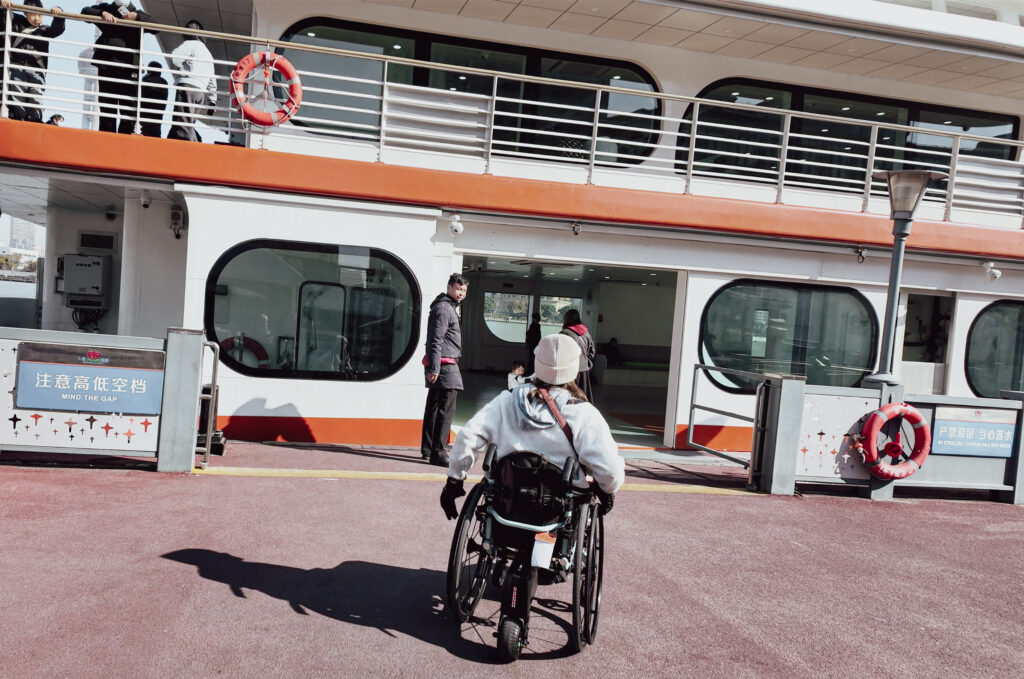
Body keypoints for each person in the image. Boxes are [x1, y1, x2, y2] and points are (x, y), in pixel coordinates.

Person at [441, 334, 623, 521]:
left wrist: (455, 479)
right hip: (558, 514)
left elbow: (467, 435)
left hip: (506, 504)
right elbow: (609, 470)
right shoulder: (584, 414)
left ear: (537, 363)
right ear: (574, 370)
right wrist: (608, 490)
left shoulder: (505, 402)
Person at [81, 1, 154, 134]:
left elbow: (156, 27)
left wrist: (136, 18)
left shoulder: (137, 12)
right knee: (107, 107)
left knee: (129, 109)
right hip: (107, 65)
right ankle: (106, 140)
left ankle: (124, 140)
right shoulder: (106, 8)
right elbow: (85, 11)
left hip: (129, 67)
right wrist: (102, 14)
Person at [420, 273, 468, 466]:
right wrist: (435, 367)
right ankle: (438, 452)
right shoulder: (444, 309)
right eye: (457, 289)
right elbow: (435, 339)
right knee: (446, 409)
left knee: (433, 407)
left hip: (441, 364)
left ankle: (428, 449)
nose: (460, 293)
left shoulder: (444, 307)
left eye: (463, 290)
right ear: (449, 287)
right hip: (445, 365)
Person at [1, 0, 65, 123]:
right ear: (25, 13)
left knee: (36, 96)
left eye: (40, 15)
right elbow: (3, 17)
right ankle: (19, 120)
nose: (37, 19)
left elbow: (57, 30)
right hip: (17, 67)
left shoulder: (45, 30)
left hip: (37, 69)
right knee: (17, 94)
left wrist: (59, 15)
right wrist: (3, 4)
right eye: (33, 15)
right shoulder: (16, 23)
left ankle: (35, 121)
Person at [166, 20, 216, 142]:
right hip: (201, 93)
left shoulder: (190, 44)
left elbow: (174, 59)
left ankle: (192, 145)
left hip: (188, 86)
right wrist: (212, 101)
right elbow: (212, 81)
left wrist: (180, 69)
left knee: (182, 123)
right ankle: (171, 141)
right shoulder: (208, 53)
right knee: (188, 122)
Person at [560, 308, 596, 404]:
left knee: (569, 398)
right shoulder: (586, 332)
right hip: (584, 370)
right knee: (583, 398)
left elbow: (561, 354)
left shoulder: (565, 333)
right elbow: (592, 353)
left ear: (566, 319)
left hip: (570, 371)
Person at [138, 60, 167, 137]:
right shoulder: (164, 82)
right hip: (157, 115)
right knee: (156, 132)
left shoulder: (146, 80)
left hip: (145, 114)